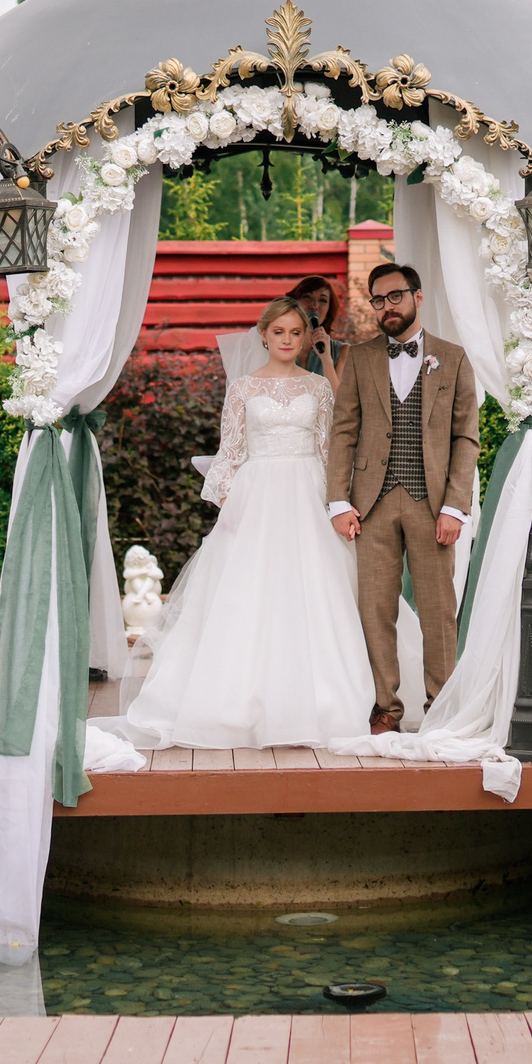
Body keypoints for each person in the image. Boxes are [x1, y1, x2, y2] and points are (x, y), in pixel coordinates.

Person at [107, 297, 374, 748]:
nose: (288, 340)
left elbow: (331, 451)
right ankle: (235, 703)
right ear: (264, 335)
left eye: (296, 333)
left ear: (307, 338)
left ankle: (323, 702)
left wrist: (338, 502)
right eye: (279, 332)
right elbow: (230, 453)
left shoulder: (319, 388)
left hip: (308, 493)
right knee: (250, 592)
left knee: (312, 591)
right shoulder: (245, 388)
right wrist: (230, 505)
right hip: (258, 498)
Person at [328, 262, 480, 735]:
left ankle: (441, 708)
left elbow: (466, 438)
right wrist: (338, 500)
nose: (386, 307)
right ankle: (385, 708)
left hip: (432, 503)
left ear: (417, 296)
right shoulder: (360, 357)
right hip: (370, 503)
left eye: (395, 296)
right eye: (378, 300)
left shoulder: (453, 358)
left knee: (438, 610)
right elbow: (344, 432)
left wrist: (456, 506)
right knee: (375, 608)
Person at [283, 274, 347, 381]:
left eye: (322, 300)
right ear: (293, 303)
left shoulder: (342, 352)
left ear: (328, 311)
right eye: (307, 297)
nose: (314, 305)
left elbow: (338, 397)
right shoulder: (277, 346)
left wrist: (326, 359)